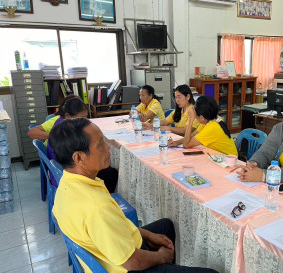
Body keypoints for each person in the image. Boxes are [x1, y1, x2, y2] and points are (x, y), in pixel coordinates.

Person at [50, 119, 218, 273]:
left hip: (115, 249)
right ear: (79, 158)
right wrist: (161, 257)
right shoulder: (96, 207)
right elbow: (132, 262)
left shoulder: (68, 184)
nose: (108, 148)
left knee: (166, 226)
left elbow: (114, 227)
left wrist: (146, 234)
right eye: (101, 145)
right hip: (129, 267)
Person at [28, 96, 118, 192]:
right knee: (110, 172)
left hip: (60, 169)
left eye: (86, 117)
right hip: (63, 172)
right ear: (67, 116)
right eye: (82, 117)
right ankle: (101, 196)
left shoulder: (64, 125)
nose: (85, 120)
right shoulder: (67, 132)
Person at [169, 95, 238, 156]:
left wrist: (190, 120)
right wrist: (177, 142)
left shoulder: (212, 127)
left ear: (201, 118)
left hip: (230, 161)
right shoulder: (209, 119)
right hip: (220, 156)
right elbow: (192, 137)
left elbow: (186, 144)